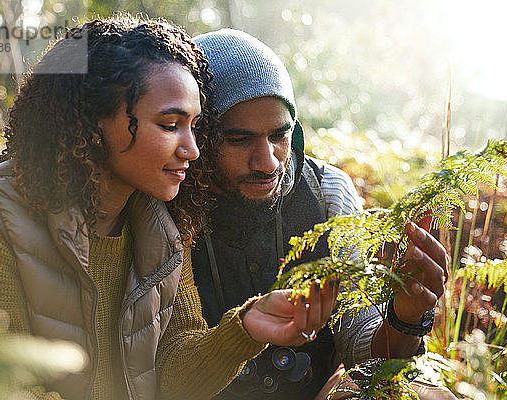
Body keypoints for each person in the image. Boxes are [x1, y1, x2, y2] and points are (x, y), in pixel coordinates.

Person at [0, 17, 340, 400]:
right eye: (169, 125)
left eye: (195, 126)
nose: (193, 149)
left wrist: (246, 330)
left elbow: (172, 376)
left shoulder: (160, 221)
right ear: (92, 123)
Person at [156, 29, 455, 400]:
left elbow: (361, 348)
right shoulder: (167, 202)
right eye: (239, 139)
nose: (267, 162)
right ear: (198, 135)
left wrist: (405, 317)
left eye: (279, 136)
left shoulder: (328, 193)